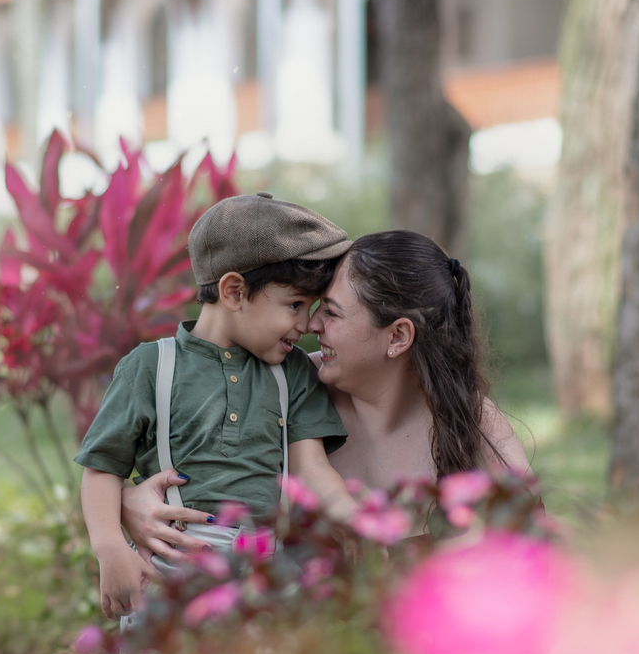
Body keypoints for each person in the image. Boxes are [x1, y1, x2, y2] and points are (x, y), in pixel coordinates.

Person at [121, 230, 531, 561]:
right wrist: (129, 503)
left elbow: (535, 556)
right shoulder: (283, 389)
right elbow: (178, 457)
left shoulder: (472, 424)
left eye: (331, 312)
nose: (312, 323)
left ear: (398, 336)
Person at [74, 192, 358, 622]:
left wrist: (356, 520)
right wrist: (110, 548)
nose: (306, 325)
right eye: (295, 305)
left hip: (266, 576)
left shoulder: (292, 373)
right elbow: (101, 469)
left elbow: (312, 469)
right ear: (234, 291)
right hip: (170, 569)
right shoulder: (151, 367)